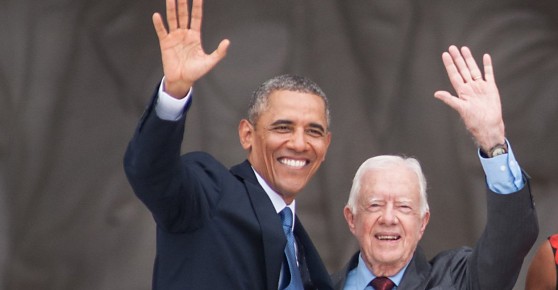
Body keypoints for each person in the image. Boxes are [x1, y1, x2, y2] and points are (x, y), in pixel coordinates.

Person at [123, 0, 333, 289]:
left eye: (313, 131)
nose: (299, 143)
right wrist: (175, 91)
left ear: (326, 145)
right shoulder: (209, 194)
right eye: (282, 127)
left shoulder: (302, 250)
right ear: (247, 134)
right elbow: (149, 172)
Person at [331, 45, 539, 290]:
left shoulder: (458, 280)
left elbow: (510, 240)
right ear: (351, 218)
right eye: (375, 204)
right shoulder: (318, 285)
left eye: (404, 206)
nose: (388, 218)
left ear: (422, 222)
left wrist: (492, 140)